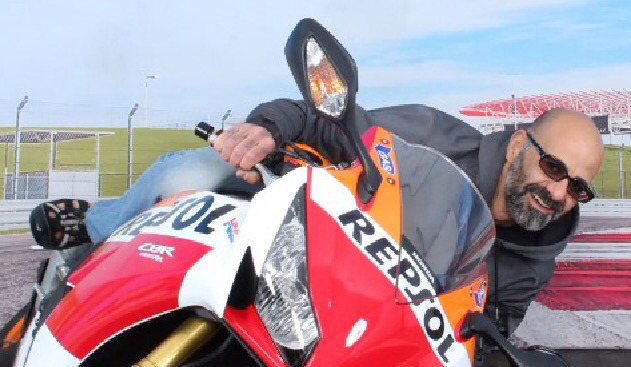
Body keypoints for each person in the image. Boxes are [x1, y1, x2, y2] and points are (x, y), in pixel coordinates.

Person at [24, 100, 604, 338]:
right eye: (554, 168)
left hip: (358, 329)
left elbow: (489, 334)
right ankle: (92, 231)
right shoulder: (436, 135)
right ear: (518, 146)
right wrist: (267, 130)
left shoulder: (534, 264)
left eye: (577, 187)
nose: (558, 193)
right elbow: (327, 117)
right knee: (188, 172)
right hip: (308, 240)